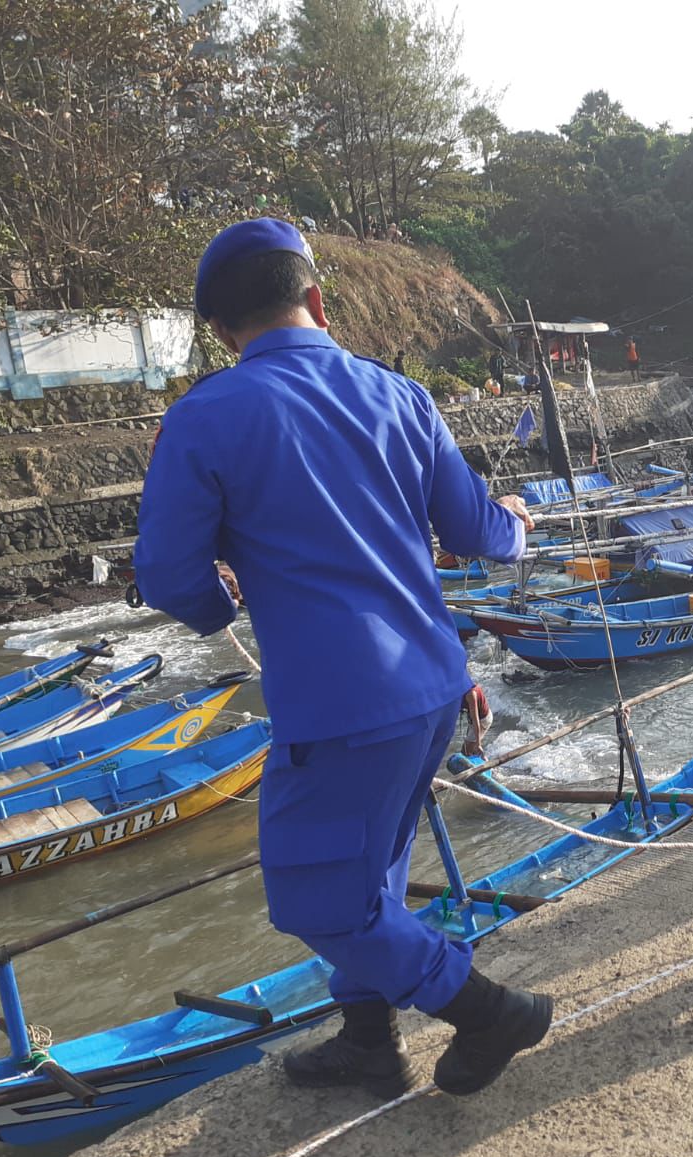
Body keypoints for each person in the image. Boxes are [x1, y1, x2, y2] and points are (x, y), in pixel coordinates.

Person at [134, 218, 551, 1102]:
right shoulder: (402, 395)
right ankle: (369, 1041)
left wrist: (219, 602)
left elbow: (168, 576)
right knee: (375, 872)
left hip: (338, 705)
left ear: (221, 331)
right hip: (437, 685)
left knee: (315, 900)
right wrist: (518, 520)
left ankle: (487, 1011)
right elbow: (480, 533)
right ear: (317, 299)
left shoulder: (205, 415)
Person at [461, 682, 493, 759]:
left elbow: (476, 721)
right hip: (479, 718)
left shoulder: (471, 694)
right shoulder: (466, 684)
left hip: (482, 720)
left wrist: (478, 743)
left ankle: (488, 766)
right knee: (468, 748)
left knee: (466, 751)